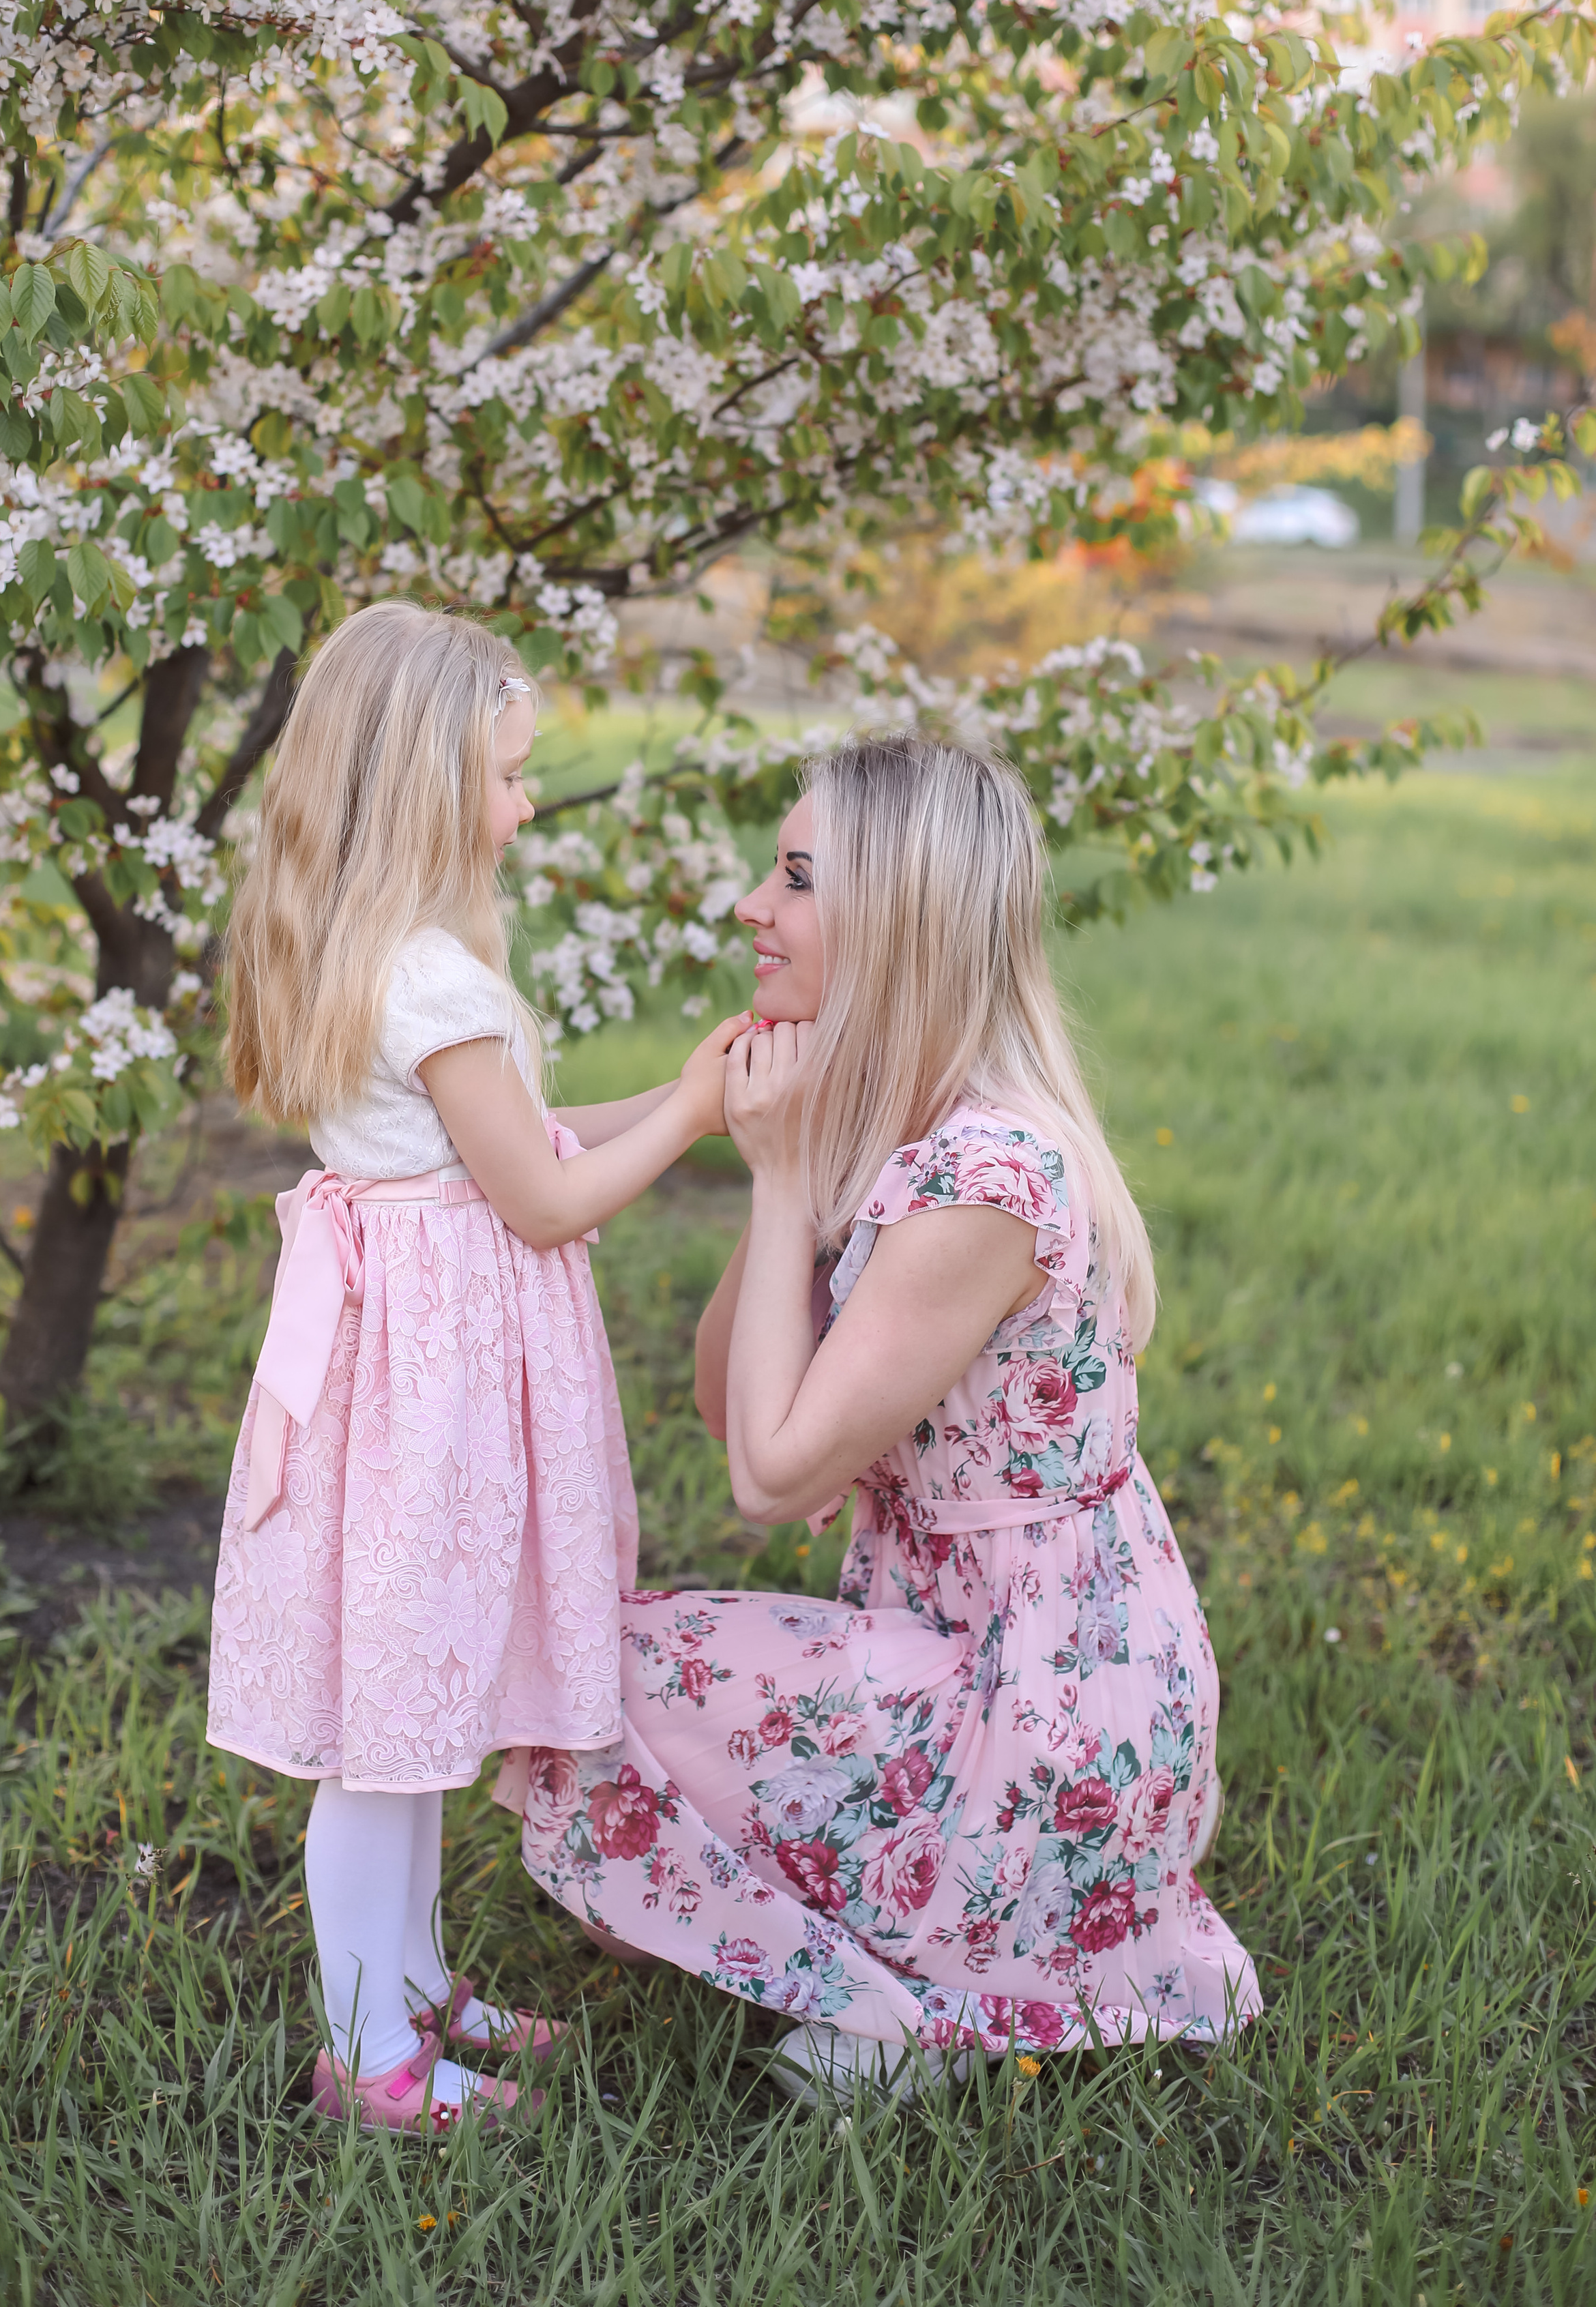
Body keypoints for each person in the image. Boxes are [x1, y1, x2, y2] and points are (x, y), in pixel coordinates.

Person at [504, 733, 1260, 2101]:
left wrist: (785, 1176)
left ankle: (927, 1991)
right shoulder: (897, 1125)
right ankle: (902, 1946)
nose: (751, 906)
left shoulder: (988, 1174)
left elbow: (772, 1478)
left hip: (1037, 1721)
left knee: (611, 1676)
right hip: (948, 1653)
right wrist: (774, 1168)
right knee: (581, 1660)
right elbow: (715, 1389)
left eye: (794, 878)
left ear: (897, 917)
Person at [205, 603, 747, 2133]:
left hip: (415, 1379)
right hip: (423, 1403)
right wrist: (697, 1118)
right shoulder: (429, 981)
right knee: (386, 1742)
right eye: (508, 776)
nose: (523, 804)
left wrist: (691, 1086)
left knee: (415, 1711)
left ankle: (414, 1986)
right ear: (434, 785)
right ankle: (369, 2057)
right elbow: (549, 1196)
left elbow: (531, 1138)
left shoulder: (389, 952)